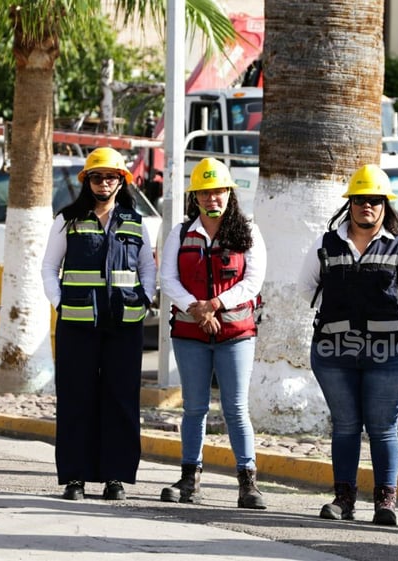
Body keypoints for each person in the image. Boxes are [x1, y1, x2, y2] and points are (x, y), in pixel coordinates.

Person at [299, 164, 398, 526]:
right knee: (344, 425)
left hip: (388, 354)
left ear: (385, 205)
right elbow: (306, 287)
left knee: (383, 427)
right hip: (333, 353)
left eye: (373, 200)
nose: (366, 207)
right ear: (349, 204)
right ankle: (344, 500)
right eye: (359, 200)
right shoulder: (326, 244)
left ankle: (385, 503)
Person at [41, 147, 156, 501]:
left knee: (120, 400)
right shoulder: (67, 219)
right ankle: (74, 478)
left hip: (125, 324)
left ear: (122, 181)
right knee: (77, 399)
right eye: (96, 176)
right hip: (77, 325)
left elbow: (147, 267)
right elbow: (48, 267)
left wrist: (145, 298)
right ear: (86, 181)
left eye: (110, 177)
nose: (103, 183)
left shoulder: (135, 222)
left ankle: (115, 477)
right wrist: (61, 302)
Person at [158, 157, 267, 509]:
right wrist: (197, 308)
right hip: (190, 332)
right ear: (196, 197)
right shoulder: (180, 231)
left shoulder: (247, 229)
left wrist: (215, 304)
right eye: (204, 193)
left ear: (229, 193)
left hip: (236, 332)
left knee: (236, 407)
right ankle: (189, 478)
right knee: (194, 408)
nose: (212, 199)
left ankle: (248, 483)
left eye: (218, 191)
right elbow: (168, 279)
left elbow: (253, 281)